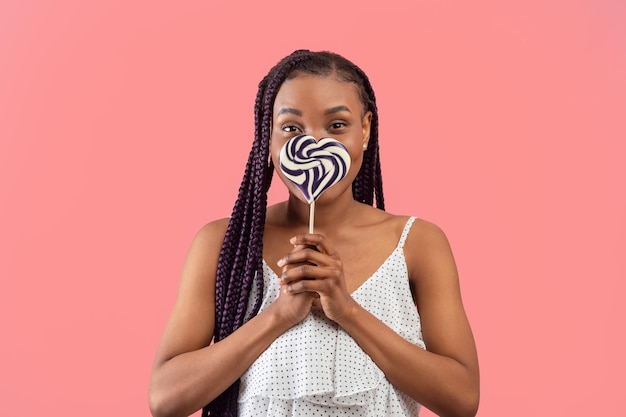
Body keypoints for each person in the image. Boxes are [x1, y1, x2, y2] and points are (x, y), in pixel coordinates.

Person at [148, 49, 479, 417]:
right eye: (291, 128)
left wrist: (347, 310)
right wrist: (278, 315)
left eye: (337, 126)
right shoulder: (223, 243)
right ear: (267, 138)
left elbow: (461, 399)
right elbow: (165, 398)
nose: (316, 145)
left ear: (365, 130)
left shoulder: (418, 243)